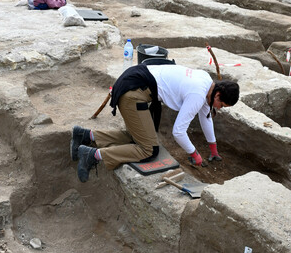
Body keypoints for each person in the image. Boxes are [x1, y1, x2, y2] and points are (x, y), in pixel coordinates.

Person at [70, 63, 240, 183]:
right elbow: (178, 131)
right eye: (222, 105)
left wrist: (213, 149)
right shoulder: (197, 93)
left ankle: (85, 135)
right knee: (149, 149)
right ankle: (92, 155)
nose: (221, 108)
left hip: (135, 81)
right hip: (133, 92)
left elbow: (206, 117)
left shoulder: (207, 83)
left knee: (139, 135)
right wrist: (194, 154)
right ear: (217, 96)